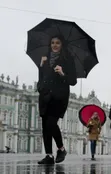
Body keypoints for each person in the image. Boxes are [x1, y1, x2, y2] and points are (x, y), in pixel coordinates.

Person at [37, 35, 77, 165]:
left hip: (59, 97)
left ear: (62, 45)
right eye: (52, 42)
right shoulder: (45, 59)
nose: (54, 45)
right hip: (45, 96)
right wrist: (41, 67)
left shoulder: (67, 59)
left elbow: (73, 81)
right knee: (45, 126)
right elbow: (41, 78)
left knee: (51, 123)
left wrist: (62, 73)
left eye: (57, 43)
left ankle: (61, 149)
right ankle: (49, 155)